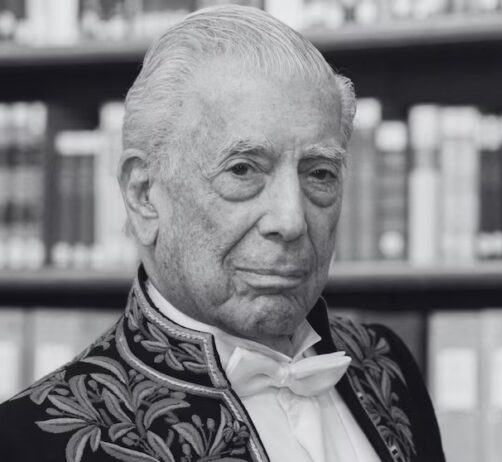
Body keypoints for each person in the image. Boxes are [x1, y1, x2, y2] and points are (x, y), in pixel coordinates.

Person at [0, 5, 445, 462]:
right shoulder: (27, 443)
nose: (291, 220)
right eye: (243, 170)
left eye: (319, 173)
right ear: (144, 195)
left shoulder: (385, 364)